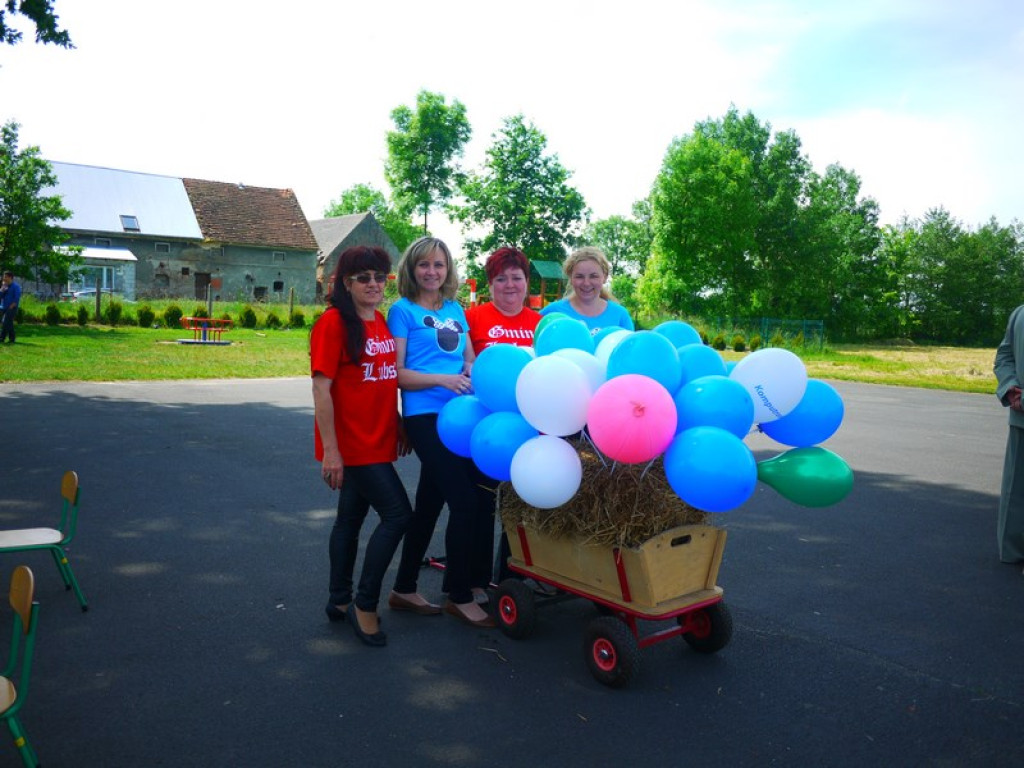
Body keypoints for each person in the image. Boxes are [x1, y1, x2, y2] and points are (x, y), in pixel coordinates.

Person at [387, 236, 496, 628]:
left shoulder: (455, 310)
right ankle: (458, 593)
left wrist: (468, 371)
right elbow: (396, 373)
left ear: (448, 269)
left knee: (431, 504)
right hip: (425, 417)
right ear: (411, 270)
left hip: (461, 416)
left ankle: (403, 587)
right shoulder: (401, 311)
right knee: (465, 502)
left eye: (439, 265)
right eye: (424, 265)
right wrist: (444, 379)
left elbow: (467, 357)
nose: (432, 272)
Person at [311, 246, 413, 647]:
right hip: (353, 443)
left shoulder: (381, 321)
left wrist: (398, 421)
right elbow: (322, 390)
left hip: (379, 435)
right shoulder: (334, 324)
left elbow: (383, 378)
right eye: (363, 277)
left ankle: (339, 600)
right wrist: (332, 451)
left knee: (349, 521)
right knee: (399, 515)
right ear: (346, 283)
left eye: (379, 277)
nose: (373, 284)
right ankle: (364, 603)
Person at [539, 246, 634, 334]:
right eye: (579, 276)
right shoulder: (552, 312)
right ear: (570, 278)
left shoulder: (620, 316)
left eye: (593, 276)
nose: (586, 283)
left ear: (604, 277)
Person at [465, 247, 541, 354]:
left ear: (526, 282)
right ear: (490, 284)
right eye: (501, 279)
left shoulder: (541, 325)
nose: (510, 285)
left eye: (516, 278)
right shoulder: (468, 320)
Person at [994, 305, 1024, 565]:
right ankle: (1014, 552)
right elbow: (1004, 356)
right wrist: (1009, 385)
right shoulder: (1020, 314)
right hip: (1021, 416)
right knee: (1016, 490)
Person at [0, 271, 21, 344]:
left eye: (5, 277)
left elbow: (16, 298)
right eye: (4, 276)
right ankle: (12, 338)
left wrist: (11, 307)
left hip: (12, 307)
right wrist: (2, 290)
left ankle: (1, 338)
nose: (4, 278)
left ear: (10, 277)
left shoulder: (16, 286)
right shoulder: (4, 286)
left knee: (5, 322)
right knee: (9, 323)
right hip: (3, 307)